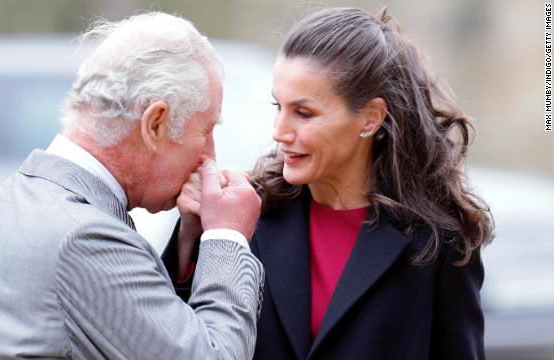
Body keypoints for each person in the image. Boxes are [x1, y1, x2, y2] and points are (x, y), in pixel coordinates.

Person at [164, 7, 494, 360]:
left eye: (303, 113)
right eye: (279, 106)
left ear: (370, 118)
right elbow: (176, 337)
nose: (279, 131)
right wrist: (192, 234)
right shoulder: (248, 214)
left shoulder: (437, 242)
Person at [0, 12, 264, 359]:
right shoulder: (83, 237)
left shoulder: (10, 200)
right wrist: (227, 237)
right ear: (155, 124)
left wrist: (190, 243)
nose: (209, 155)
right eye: (207, 130)